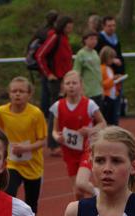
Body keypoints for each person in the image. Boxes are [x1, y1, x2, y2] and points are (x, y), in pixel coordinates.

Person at [0, 76, 47, 216]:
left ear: (29, 94)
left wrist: (26, 148)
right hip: (12, 163)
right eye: (14, 91)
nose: (17, 95)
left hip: (33, 165)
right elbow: (0, 132)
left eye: (21, 91)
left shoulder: (35, 114)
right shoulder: (2, 111)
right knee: (8, 197)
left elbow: (43, 140)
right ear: (9, 93)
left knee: (31, 206)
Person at [50, 70, 106, 199]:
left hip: (87, 149)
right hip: (69, 152)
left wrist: (90, 131)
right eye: (68, 83)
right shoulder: (58, 106)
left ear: (80, 85)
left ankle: (102, 196)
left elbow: (103, 123)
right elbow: (54, 130)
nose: (71, 86)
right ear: (63, 86)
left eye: (74, 83)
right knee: (78, 193)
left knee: (81, 183)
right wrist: (57, 137)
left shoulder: (89, 105)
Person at [36, 15, 74, 156]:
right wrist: (48, 74)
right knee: (55, 112)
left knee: (62, 111)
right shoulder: (55, 37)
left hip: (64, 79)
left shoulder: (65, 38)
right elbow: (40, 55)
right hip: (56, 80)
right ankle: (52, 144)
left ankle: (60, 141)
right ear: (63, 26)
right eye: (69, 25)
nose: (71, 28)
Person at [29, 10, 58, 120]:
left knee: (44, 92)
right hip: (50, 67)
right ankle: (50, 116)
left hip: (41, 67)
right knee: (50, 93)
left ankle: (44, 115)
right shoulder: (53, 34)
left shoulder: (40, 31)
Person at [96, 16, 126, 123]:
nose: (112, 28)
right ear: (103, 26)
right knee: (108, 114)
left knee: (116, 109)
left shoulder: (116, 38)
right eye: (109, 26)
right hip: (108, 85)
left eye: (113, 25)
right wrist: (112, 62)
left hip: (117, 77)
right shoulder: (100, 39)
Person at [73, 31, 103, 107]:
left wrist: (102, 87)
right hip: (87, 91)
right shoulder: (81, 54)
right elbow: (77, 72)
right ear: (85, 40)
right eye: (91, 39)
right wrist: (80, 90)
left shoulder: (95, 53)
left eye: (95, 39)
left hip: (98, 90)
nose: (94, 41)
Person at [99, 46, 122, 126]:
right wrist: (113, 79)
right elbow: (103, 84)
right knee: (108, 119)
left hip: (113, 96)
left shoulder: (110, 69)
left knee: (114, 119)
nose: (112, 60)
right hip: (106, 97)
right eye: (111, 58)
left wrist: (117, 80)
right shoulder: (102, 68)